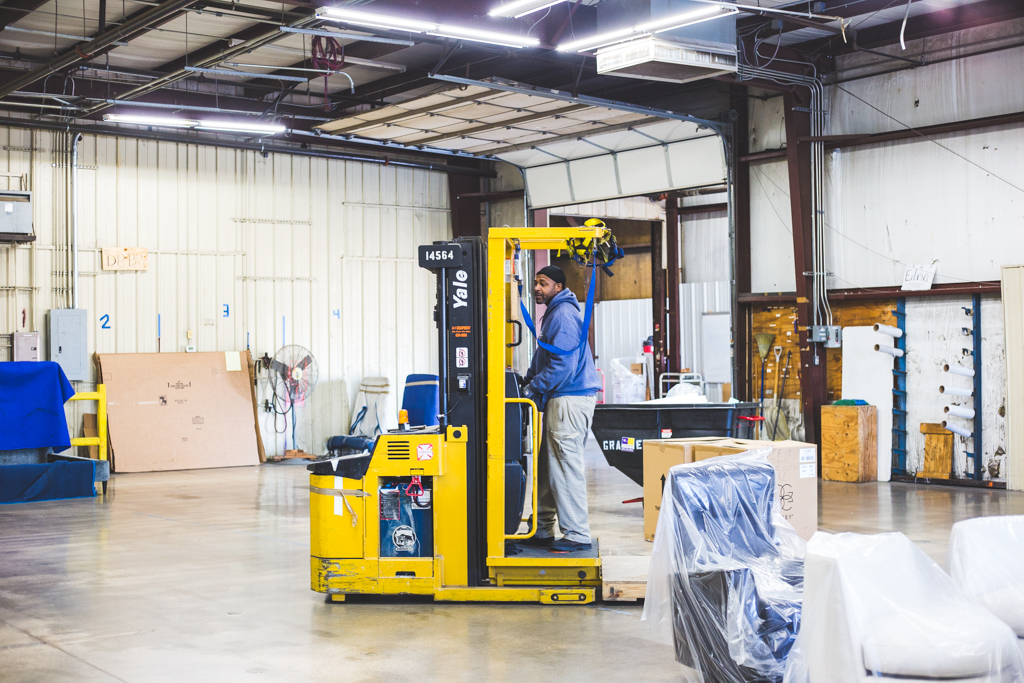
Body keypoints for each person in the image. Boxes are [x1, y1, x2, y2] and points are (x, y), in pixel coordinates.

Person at [522, 264, 602, 552]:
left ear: (558, 286)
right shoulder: (554, 314)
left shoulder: (565, 315)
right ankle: (542, 527)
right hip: (561, 399)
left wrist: (533, 387)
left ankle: (577, 534)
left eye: (542, 284)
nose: (536, 289)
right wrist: (527, 379)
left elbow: (563, 365)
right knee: (548, 467)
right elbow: (547, 355)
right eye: (535, 283)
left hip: (569, 399)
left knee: (565, 467)